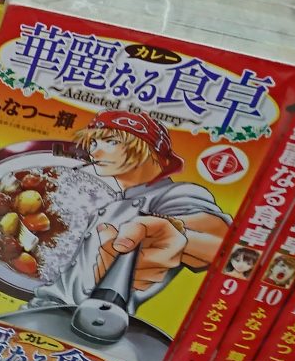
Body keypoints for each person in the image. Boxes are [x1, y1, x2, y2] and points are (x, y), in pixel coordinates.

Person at [13, 111, 228, 334]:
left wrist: (175, 233)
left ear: (148, 149)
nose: (95, 151)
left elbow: (219, 243)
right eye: (93, 143)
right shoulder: (115, 200)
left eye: (111, 142)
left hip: (95, 325)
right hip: (44, 313)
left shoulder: (174, 194)